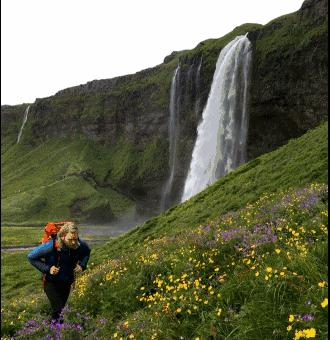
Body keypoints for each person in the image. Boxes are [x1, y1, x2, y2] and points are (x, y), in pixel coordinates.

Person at [28, 222, 91, 321]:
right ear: (62, 236)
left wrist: (82, 266)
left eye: (75, 239)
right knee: (59, 309)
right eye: (70, 239)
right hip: (51, 282)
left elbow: (87, 251)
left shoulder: (79, 244)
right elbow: (31, 257)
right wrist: (48, 268)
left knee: (59, 310)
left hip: (67, 282)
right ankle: (56, 331)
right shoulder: (51, 246)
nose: (74, 242)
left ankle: (51, 329)